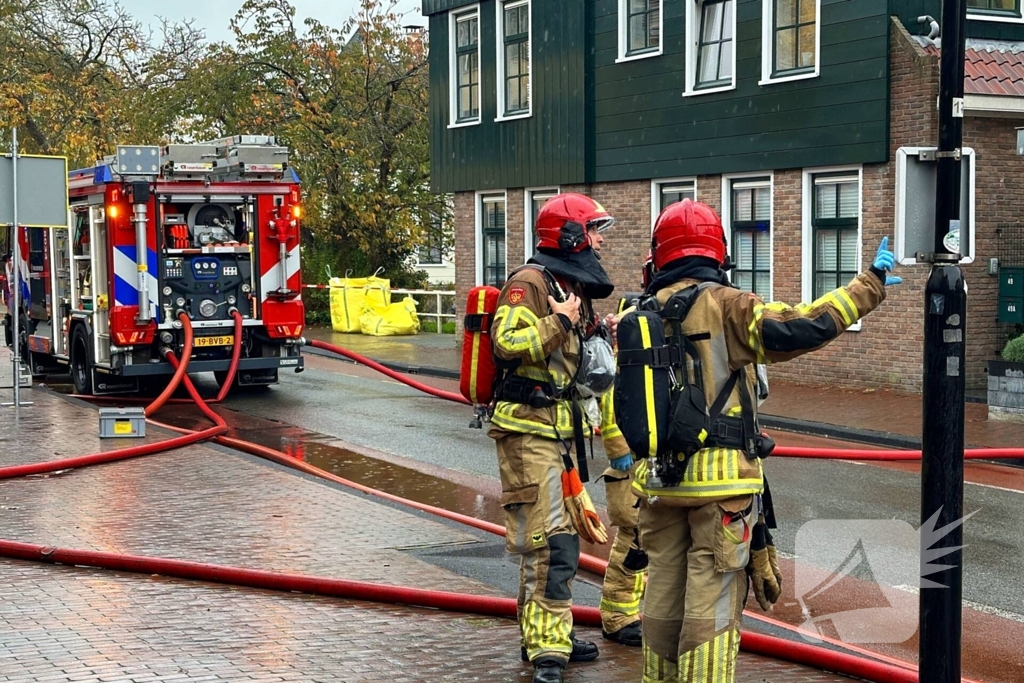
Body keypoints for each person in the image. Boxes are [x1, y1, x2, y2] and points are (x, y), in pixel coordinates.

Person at [624, 199, 899, 682]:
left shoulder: (641, 309)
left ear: (660, 255)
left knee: (662, 604)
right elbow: (801, 326)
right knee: (709, 615)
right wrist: (868, 286)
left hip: (659, 487)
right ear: (717, 252)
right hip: (721, 492)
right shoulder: (727, 304)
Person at [488, 192, 627, 683]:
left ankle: (546, 635)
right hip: (527, 430)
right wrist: (560, 320)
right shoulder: (528, 284)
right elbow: (506, 342)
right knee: (552, 545)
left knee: (550, 541)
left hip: (559, 434)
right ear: (569, 236)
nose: (599, 241)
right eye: (593, 231)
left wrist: (597, 331)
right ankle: (548, 649)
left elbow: (577, 361)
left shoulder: (571, 285)